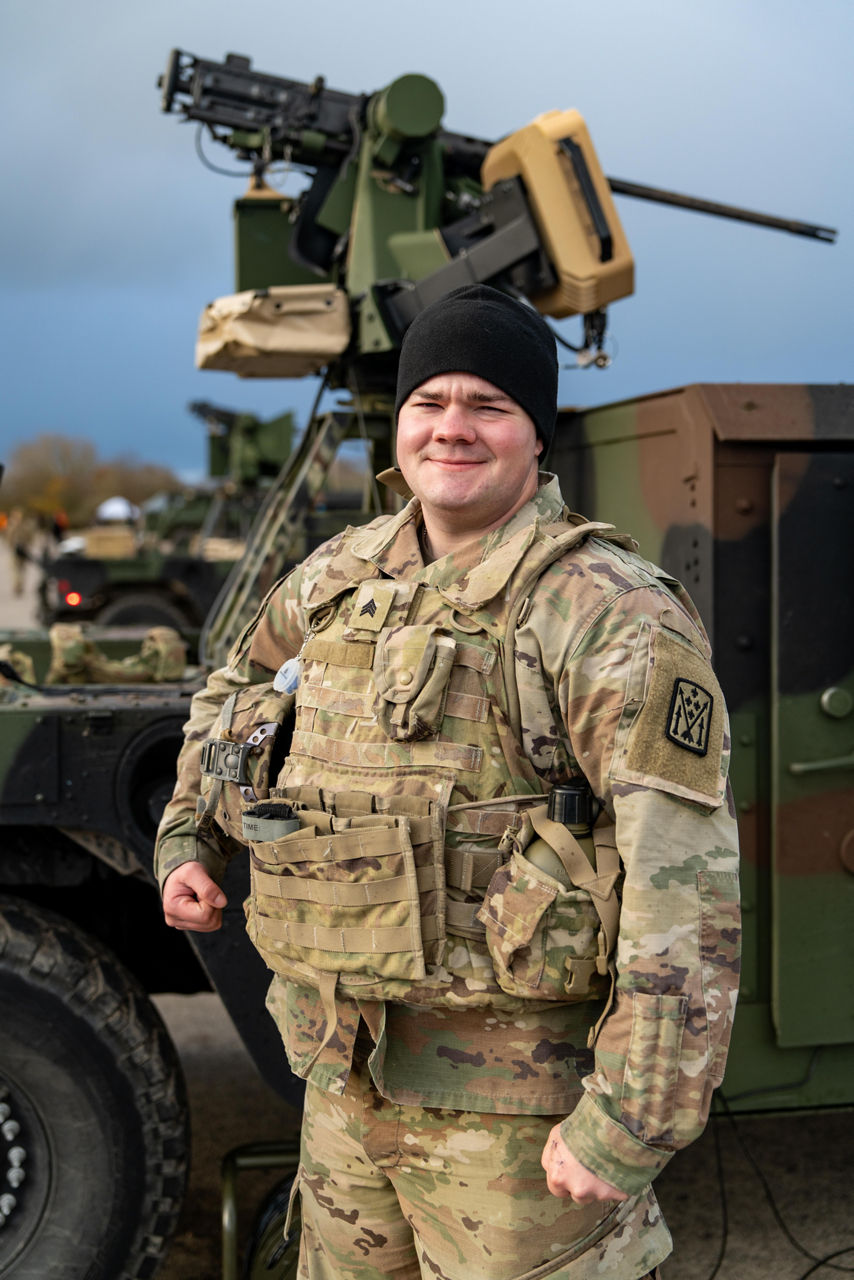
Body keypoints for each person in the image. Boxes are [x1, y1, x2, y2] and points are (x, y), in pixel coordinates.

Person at [155, 284, 740, 1280]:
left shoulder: (604, 609)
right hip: (342, 1084)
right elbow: (236, 687)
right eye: (429, 401)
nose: (451, 429)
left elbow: (682, 884)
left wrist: (631, 1120)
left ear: (536, 434)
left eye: (487, 404)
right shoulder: (341, 574)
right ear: (398, 423)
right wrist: (189, 837)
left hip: (513, 1123)